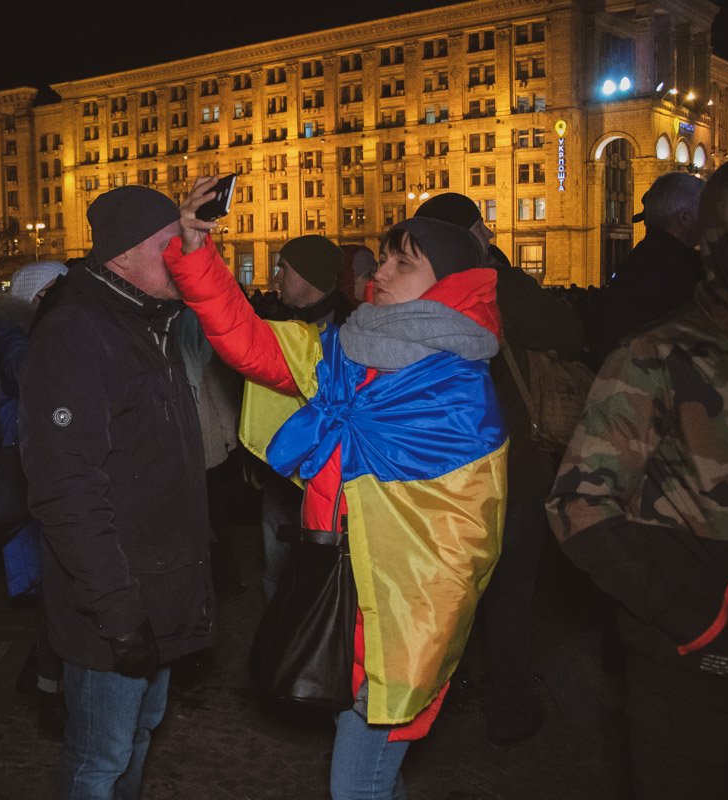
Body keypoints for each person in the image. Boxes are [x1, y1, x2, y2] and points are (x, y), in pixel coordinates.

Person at [167, 177, 508, 800]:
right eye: (384, 257)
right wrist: (196, 251)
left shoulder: (456, 393)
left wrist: (415, 640)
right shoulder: (350, 350)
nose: (381, 271)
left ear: (450, 285)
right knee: (371, 780)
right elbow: (252, 340)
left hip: (400, 625)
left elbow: (463, 544)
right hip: (342, 598)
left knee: (357, 785)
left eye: (403, 262)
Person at [547, 153, 728, 799]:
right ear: (726, 234)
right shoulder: (656, 355)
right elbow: (578, 506)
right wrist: (694, 618)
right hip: (691, 671)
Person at [18, 186, 212, 800]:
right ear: (123, 257)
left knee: (138, 736)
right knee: (98, 758)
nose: (183, 257)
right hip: (115, 604)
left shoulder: (151, 320)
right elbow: (67, 492)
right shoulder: (77, 333)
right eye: (169, 246)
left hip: (160, 591)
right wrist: (119, 614)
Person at [414, 192, 584, 746]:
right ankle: (510, 708)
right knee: (510, 596)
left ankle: (442, 692)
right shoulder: (495, 283)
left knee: (448, 592)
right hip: (511, 469)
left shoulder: (417, 293)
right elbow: (567, 333)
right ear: (475, 233)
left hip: (441, 472)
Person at [0, 259, 69, 738]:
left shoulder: (30, 333)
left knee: (57, 582)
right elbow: (29, 374)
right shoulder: (14, 338)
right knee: (53, 583)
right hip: (27, 467)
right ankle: (48, 693)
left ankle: (42, 677)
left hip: (42, 465)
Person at [258, 234, 354, 601]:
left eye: (285, 268)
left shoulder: (355, 328)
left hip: (335, 476)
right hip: (281, 478)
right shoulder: (275, 322)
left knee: (327, 576)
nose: (276, 277)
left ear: (311, 275)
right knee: (276, 571)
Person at [585, 172, 706, 368]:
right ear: (684, 217)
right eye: (705, 211)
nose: (711, 220)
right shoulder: (674, 269)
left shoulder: (647, 261)